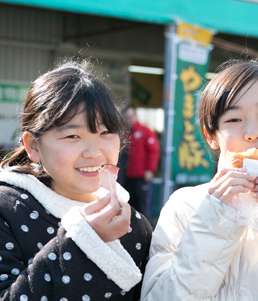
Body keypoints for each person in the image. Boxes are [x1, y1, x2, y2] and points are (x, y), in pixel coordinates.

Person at [141, 59, 258, 300]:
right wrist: (214, 218)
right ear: (211, 135)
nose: (253, 132)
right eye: (234, 119)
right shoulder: (185, 206)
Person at [0, 59, 152, 301]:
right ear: (33, 145)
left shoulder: (133, 223)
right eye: (72, 135)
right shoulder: (8, 211)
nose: (93, 152)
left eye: (105, 133)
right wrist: (85, 240)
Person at [123, 106, 160, 220]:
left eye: (131, 115)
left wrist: (150, 169)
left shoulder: (145, 131)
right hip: (127, 177)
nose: (129, 118)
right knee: (128, 206)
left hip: (141, 177)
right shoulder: (124, 133)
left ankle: (146, 232)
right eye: (126, 116)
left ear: (135, 115)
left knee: (142, 206)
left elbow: (154, 151)